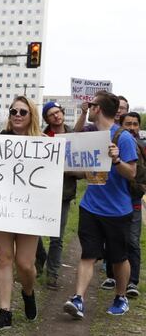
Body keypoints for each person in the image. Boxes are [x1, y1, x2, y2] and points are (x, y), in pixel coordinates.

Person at [64, 91, 138, 319]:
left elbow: (131, 173)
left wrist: (116, 160)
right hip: (91, 207)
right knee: (88, 254)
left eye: (91, 104)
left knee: (118, 258)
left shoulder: (122, 137)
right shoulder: (91, 134)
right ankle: (78, 299)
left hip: (117, 210)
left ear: (98, 109)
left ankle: (121, 296)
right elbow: (78, 156)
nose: (89, 106)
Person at [0, 96, 43, 330]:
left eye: (22, 112)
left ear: (31, 116)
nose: (17, 115)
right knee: (3, 259)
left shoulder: (44, 143)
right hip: (3, 207)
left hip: (30, 210)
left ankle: (28, 292)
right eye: (13, 111)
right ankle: (4, 312)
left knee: (25, 264)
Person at [100, 110, 144, 298]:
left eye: (135, 124)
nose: (132, 128)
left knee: (132, 240)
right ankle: (112, 276)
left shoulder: (142, 146)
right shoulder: (114, 144)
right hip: (114, 200)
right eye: (128, 124)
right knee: (112, 239)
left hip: (133, 199)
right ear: (121, 126)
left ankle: (132, 282)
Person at [35, 101, 78, 289]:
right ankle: (40, 256)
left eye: (58, 112)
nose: (56, 116)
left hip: (63, 194)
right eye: (51, 114)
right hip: (41, 192)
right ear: (47, 118)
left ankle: (52, 274)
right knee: (33, 231)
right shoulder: (40, 136)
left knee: (57, 237)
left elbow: (80, 170)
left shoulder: (74, 136)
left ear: (62, 113)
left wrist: (63, 167)